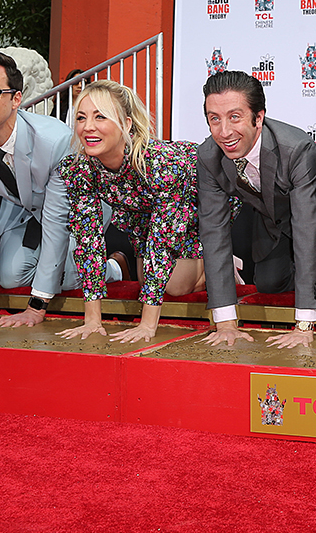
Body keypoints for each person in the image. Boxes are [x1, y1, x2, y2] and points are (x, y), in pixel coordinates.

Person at [0, 51, 94, 327]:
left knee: (71, 273)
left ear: (16, 99)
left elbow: (56, 223)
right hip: (26, 212)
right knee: (10, 277)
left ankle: (113, 266)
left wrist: (37, 307)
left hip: (78, 214)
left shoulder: (54, 141)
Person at [56, 80, 206, 343]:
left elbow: (163, 245)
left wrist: (147, 326)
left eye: (100, 116)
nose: (87, 127)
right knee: (147, 279)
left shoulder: (161, 165)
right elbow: (88, 240)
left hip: (196, 201)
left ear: (126, 124)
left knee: (175, 285)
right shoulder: (79, 168)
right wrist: (92, 321)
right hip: (144, 212)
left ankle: (219, 262)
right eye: (81, 117)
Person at [197, 70, 316, 349]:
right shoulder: (208, 156)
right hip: (271, 226)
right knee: (268, 283)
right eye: (214, 119)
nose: (224, 131)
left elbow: (307, 228)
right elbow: (213, 233)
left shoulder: (295, 148)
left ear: (259, 117)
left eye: (234, 117)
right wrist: (226, 323)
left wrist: (303, 325)